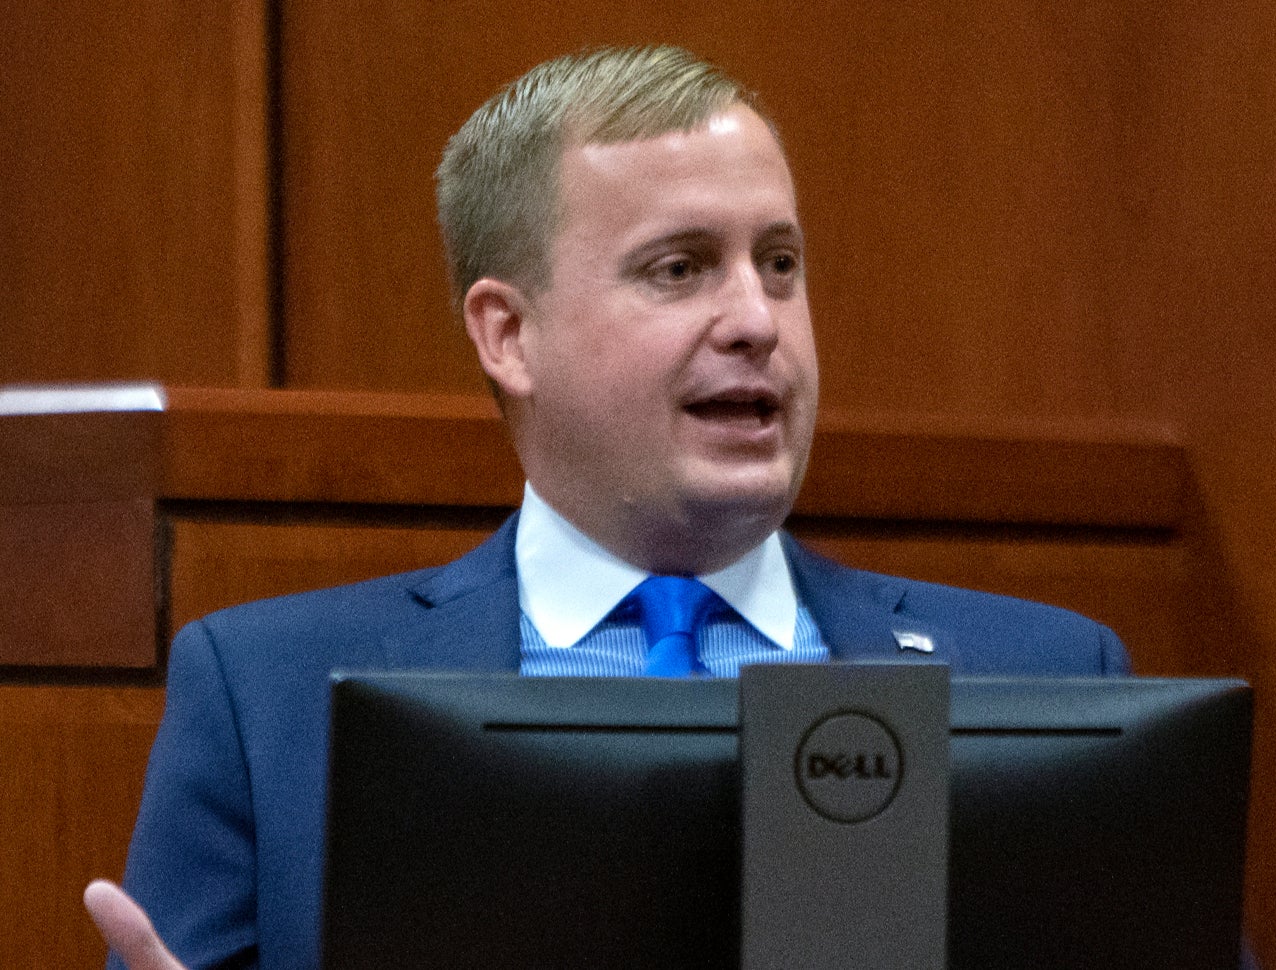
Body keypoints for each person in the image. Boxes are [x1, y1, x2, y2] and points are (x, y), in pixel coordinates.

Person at [86, 45, 1132, 970]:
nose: (755, 320)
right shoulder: (269, 697)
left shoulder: (1049, 682)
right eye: (679, 269)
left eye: (778, 263)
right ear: (507, 334)